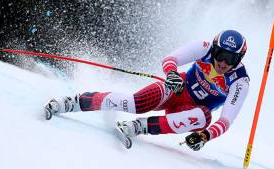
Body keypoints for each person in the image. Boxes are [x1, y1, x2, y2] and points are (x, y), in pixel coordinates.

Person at [45, 30, 249, 151]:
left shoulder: (240, 82)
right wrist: (172, 74)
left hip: (187, 112)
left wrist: (205, 137)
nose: (222, 62)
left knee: (204, 117)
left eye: (230, 58)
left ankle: (138, 127)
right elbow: (171, 59)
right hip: (176, 90)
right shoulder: (204, 47)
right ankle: (75, 102)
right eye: (220, 54)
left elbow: (225, 121)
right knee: (134, 104)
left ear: (239, 59)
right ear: (214, 49)